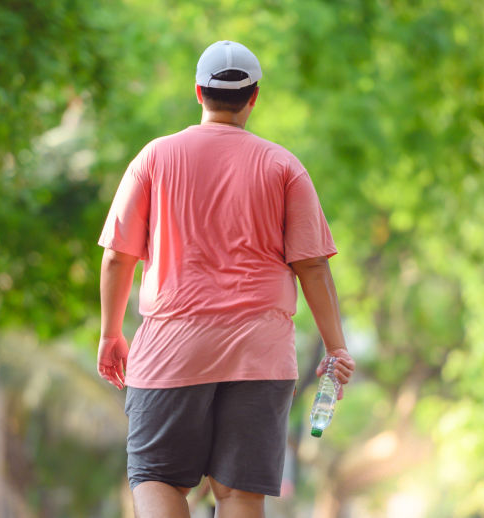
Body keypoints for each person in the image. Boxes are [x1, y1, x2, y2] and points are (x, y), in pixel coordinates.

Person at [95, 40, 357, 518]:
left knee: (156, 480)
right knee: (238, 495)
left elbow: (117, 257)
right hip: (259, 354)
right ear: (254, 97)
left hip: (172, 350)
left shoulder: (155, 157)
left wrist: (111, 333)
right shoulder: (284, 167)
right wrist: (335, 346)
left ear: (198, 92)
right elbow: (313, 266)